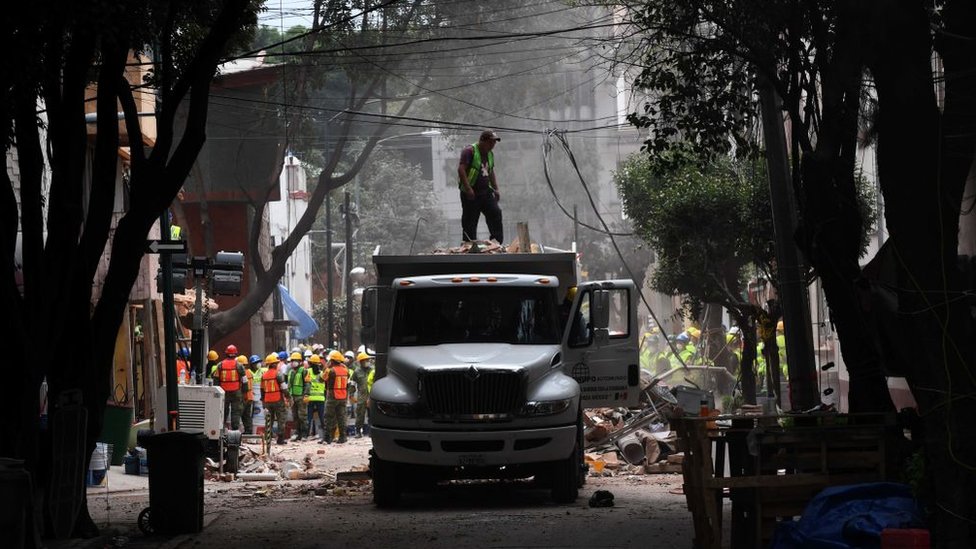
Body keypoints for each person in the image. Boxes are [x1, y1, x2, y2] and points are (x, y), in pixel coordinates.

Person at [457, 129, 503, 243]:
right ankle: (469, 244)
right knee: (470, 221)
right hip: (471, 194)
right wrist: (468, 189)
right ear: (482, 141)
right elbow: (461, 169)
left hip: (485, 192)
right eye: (490, 142)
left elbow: (491, 171)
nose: (493, 145)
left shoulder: (490, 154)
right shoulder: (469, 151)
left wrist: (496, 189)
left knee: (495, 212)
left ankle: (496, 241)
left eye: (494, 142)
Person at [212, 344, 245, 430]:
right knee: (236, 411)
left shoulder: (220, 365)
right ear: (235, 354)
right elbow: (244, 380)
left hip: (223, 391)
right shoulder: (239, 365)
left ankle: (221, 429)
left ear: (226, 354)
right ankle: (234, 430)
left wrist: (217, 391)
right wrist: (244, 391)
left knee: (223, 410)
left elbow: (216, 379)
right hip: (236, 391)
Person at [260, 353, 289, 446]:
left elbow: (262, 390)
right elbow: (283, 387)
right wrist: (289, 397)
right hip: (278, 400)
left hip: (268, 400)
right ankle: (280, 439)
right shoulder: (278, 374)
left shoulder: (264, 375)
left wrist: (263, 401)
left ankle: (268, 439)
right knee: (281, 419)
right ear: (274, 364)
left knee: (269, 420)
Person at [323, 350, 350, 444]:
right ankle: (343, 437)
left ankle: (327, 438)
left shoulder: (331, 371)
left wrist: (326, 367)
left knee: (328, 416)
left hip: (332, 396)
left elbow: (322, 378)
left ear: (332, 361)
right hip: (343, 396)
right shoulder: (346, 370)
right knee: (341, 417)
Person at [304, 354, 327, 443]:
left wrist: (305, 395)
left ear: (310, 363)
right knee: (322, 417)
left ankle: (306, 435)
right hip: (320, 398)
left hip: (311, 397)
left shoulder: (307, 371)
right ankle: (324, 435)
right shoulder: (321, 373)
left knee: (309, 417)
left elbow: (306, 385)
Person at [287, 352, 308, 441]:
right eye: (292, 361)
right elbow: (289, 385)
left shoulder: (304, 371)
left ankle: (304, 434)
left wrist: (306, 394)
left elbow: (307, 383)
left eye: (295, 361)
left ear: (300, 362)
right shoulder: (291, 372)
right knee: (295, 416)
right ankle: (297, 433)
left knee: (302, 416)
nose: (293, 362)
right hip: (293, 397)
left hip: (301, 396)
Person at [351, 352, 373, 437]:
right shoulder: (357, 371)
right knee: (360, 414)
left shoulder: (372, 370)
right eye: (365, 360)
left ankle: (371, 431)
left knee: (372, 415)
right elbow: (352, 383)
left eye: (367, 360)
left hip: (372, 395)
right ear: (361, 362)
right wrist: (351, 394)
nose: (367, 361)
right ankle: (358, 431)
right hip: (362, 396)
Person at [238, 355, 254, 434]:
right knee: (247, 415)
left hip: (245, 396)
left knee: (240, 414)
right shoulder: (249, 372)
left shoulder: (242, 373)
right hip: (250, 396)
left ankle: (238, 431)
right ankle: (248, 430)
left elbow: (244, 386)